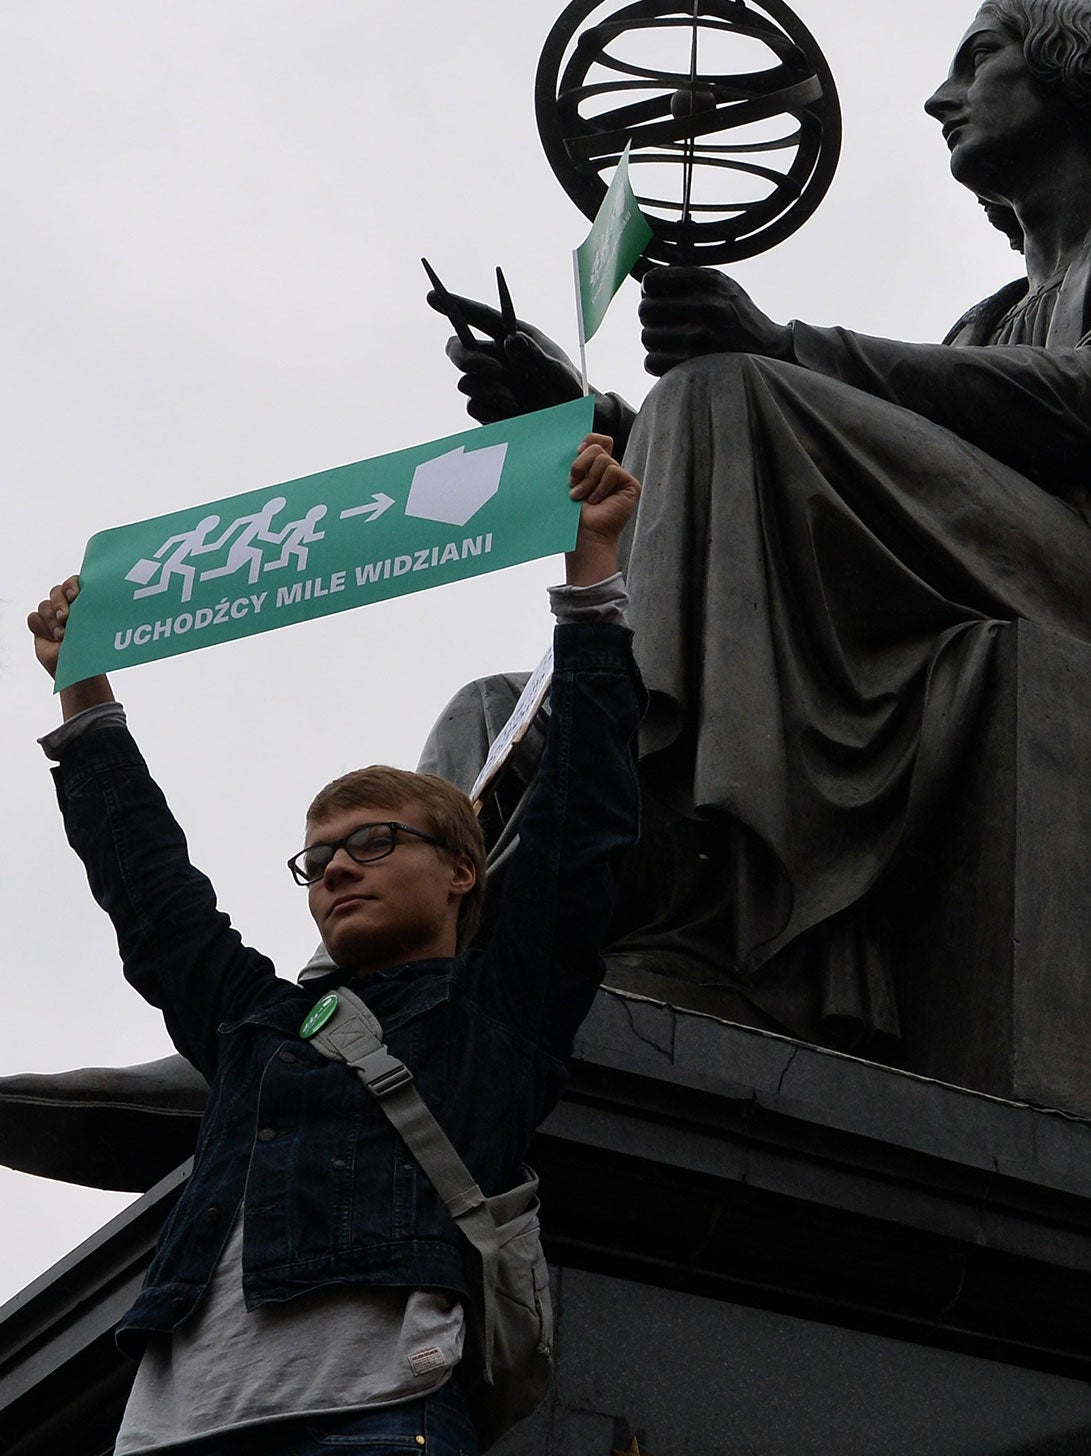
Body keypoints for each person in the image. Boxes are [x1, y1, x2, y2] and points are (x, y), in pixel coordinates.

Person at [425, 0, 1091, 1043]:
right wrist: (592, 427)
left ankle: (686, 906)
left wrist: (785, 353)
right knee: (491, 709)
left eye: (978, 59)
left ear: (1079, 73)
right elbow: (799, 481)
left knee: (726, 391)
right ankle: (379, 977)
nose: (938, 98)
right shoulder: (985, 324)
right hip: (1001, 587)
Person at [25, 433, 645, 1455]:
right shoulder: (254, 1026)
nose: (337, 870)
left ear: (461, 871)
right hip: (172, 1428)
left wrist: (590, 577)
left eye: (370, 842)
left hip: (375, 1418)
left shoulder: (498, 1009)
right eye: (317, 861)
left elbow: (584, 815)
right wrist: (84, 696)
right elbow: (154, 900)